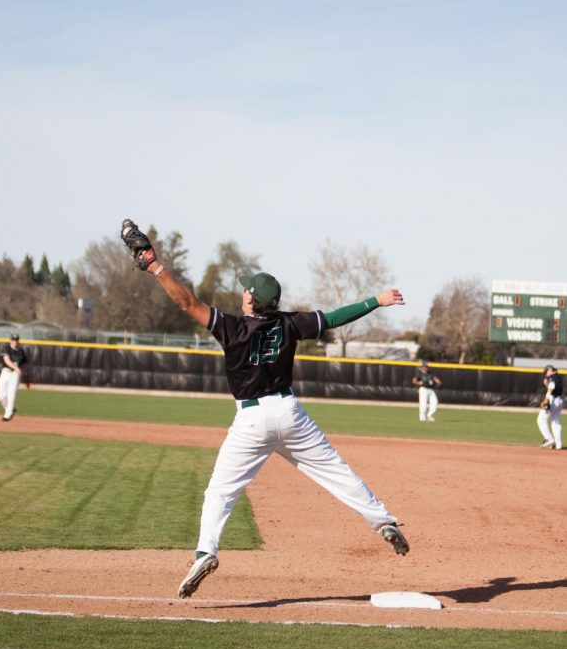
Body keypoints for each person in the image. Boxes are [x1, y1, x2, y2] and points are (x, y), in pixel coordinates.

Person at [121, 218, 410, 599]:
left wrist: (154, 265)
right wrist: (377, 300)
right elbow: (335, 317)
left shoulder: (232, 328)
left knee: (220, 492)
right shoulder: (291, 324)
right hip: (290, 414)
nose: (243, 291)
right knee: (337, 472)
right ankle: (383, 521)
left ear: (250, 300)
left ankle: (206, 550)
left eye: (246, 289)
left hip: (252, 419)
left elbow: (186, 301)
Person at [0, 333, 28, 422]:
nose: (15, 342)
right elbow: (7, 360)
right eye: (13, 340)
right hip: (6, 372)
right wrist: (16, 368)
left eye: (16, 340)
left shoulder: (21, 352)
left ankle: (7, 415)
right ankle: (10, 409)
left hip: (15, 375)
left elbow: (25, 364)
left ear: (18, 341)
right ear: (11, 340)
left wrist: (25, 375)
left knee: (11, 395)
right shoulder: (6, 348)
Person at [537, 364, 563, 450]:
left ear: (550, 370)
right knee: (556, 423)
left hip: (552, 399)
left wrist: (546, 398)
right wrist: (546, 384)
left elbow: (552, 386)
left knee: (541, 419)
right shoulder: (559, 377)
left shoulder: (552, 377)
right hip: (559, 400)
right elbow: (554, 386)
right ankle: (558, 444)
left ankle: (548, 438)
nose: (545, 374)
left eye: (546, 372)